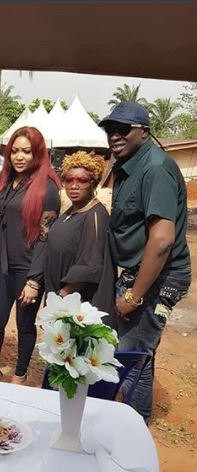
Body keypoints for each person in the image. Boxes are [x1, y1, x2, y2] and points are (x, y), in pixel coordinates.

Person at [99, 102, 192, 422]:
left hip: (162, 275)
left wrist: (133, 295)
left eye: (123, 129)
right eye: (110, 129)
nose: (114, 135)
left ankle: (131, 424)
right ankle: (132, 418)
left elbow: (163, 239)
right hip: (143, 270)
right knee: (139, 350)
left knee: (130, 354)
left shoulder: (154, 168)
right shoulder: (128, 163)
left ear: (144, 132)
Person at [0, 126, 61, 383]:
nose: (19, 157)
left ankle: (20, 374)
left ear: (37, 153)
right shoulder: (7, 181)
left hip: (28, 268)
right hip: (1, 264)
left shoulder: (47, 189)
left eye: (26, 152)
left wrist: (34, 280)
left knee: (24, 324)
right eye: (14, 151)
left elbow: (45, 238)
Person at [43, 151, 115, 323]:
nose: (74, 185)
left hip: (77, 303)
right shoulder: (71, 212)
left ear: (93, 183)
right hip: (60, 297)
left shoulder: (95, 215)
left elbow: (92, 264)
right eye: (69, 180)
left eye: (81, 180)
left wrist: (64, 294)